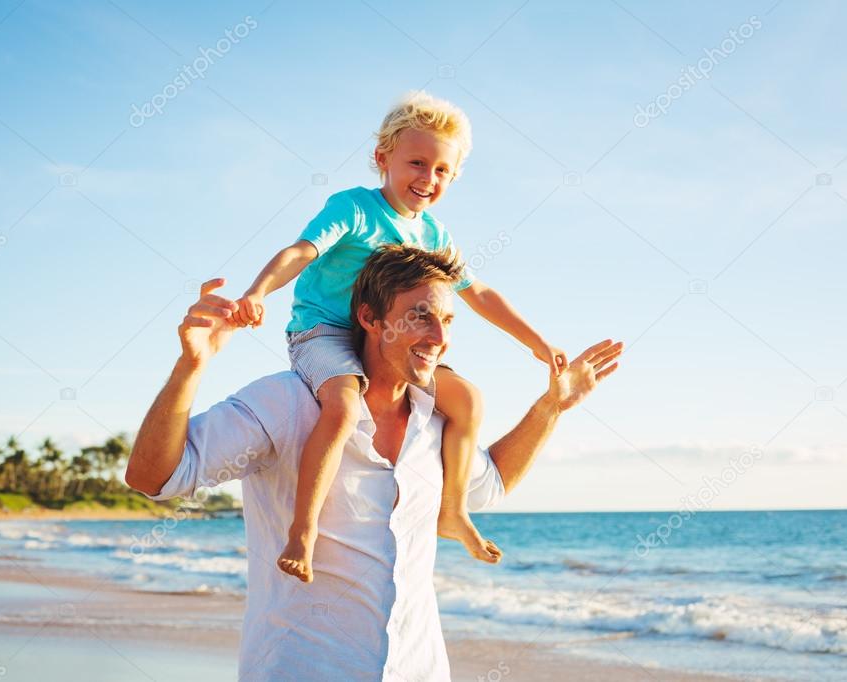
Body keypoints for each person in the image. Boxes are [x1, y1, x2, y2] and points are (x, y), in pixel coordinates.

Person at [126, 244, 622, 680]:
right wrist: (191, 368)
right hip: (301, 669)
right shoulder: (286, 403)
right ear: (369, 318)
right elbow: (154, 477)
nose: (437, 336)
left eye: (447, 320)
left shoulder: (439, 422)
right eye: (420, 315)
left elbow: (487, 487)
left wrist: (551, 407)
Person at [231, 91, 567, 582]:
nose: (427, 179)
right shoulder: (355, 209)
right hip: (325, 333)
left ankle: (452, 510)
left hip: (391, 342)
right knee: (344, 406)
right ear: (382, 158)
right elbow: (301, 251)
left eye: (441, 171)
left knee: (468, 400)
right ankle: (303, 531)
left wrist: (537, 343)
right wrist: (257, 291)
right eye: (416, 162)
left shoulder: (434, 235)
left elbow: (480, 293)